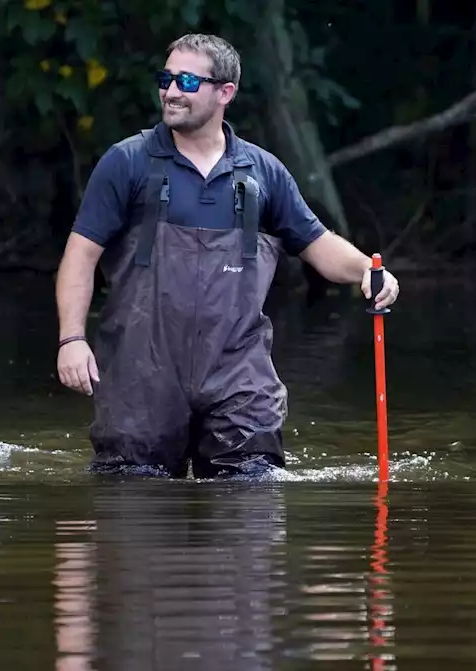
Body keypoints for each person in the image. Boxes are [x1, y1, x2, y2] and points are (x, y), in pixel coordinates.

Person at [54, 33, 401, 479]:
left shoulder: (262, 172)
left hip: (238, 375)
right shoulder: (127, 162)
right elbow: (79, 256)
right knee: (134, 502)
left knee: (251, 495)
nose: (171, 91)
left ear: (225, 92)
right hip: (143, 375)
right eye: (166, 78)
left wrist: (368, 273)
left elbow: (317, 243)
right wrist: (71, 339)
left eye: (186, 81)